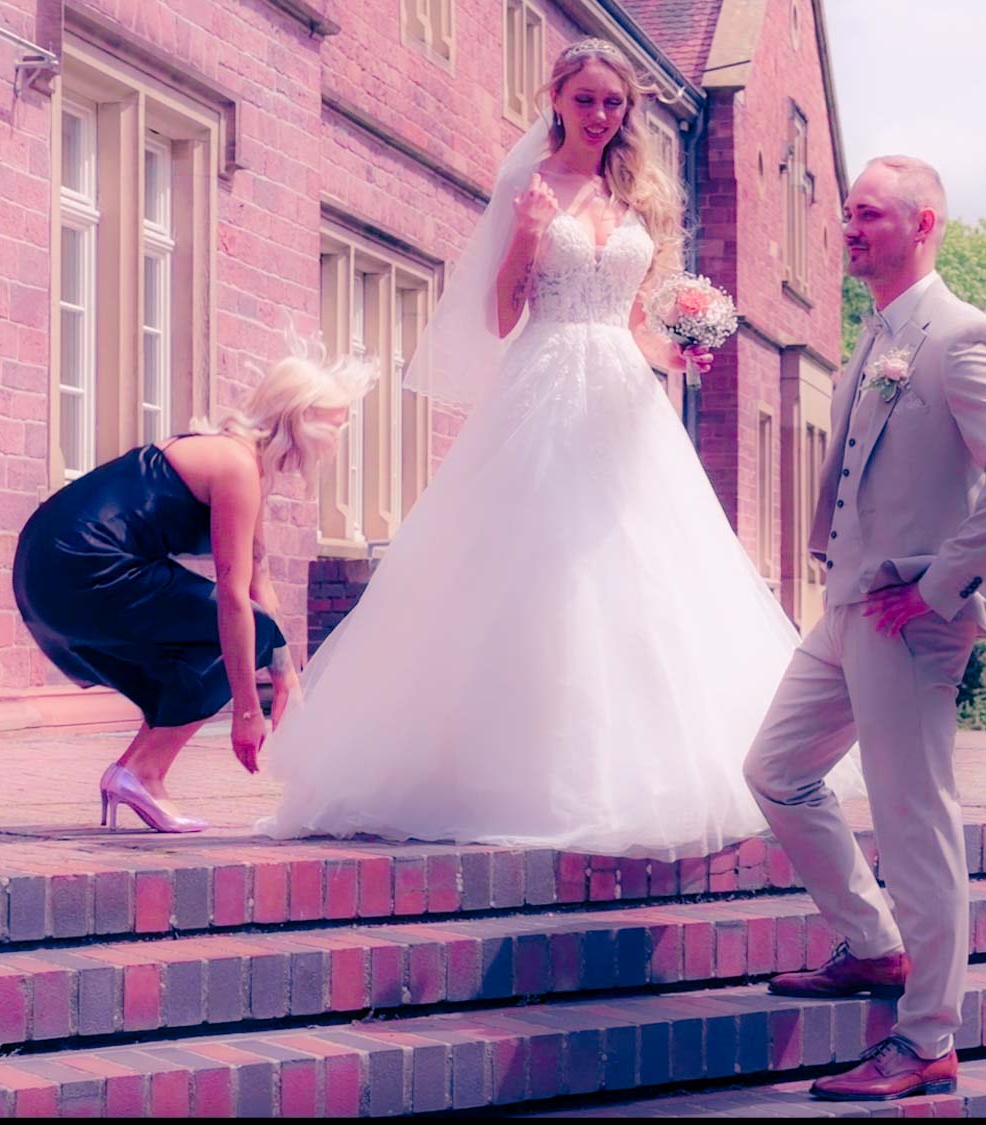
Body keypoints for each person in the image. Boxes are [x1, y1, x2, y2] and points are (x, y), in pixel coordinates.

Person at [257, 39, 860, 854]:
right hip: (543, 384)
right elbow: (501, 316)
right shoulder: (531, 186)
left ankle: (647, 768)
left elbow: (635, 321)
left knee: (641, 567)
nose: (600, 115)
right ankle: (510, 773)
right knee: (536, 564)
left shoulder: (636, 195)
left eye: (614, 102)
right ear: (557, 99)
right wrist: (526, 235)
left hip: (625, 397)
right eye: (585, 99)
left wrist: (677, 353)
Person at [742, 155, 986, 1102]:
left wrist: (939, 585)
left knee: (914, 820)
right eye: (847, 212)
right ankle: (874, 943)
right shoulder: (877, 333)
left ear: (923, 225)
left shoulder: (960, 335)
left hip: (909, 615)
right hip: (848, 605)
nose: (850, 227)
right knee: (776, 768)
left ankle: (926, 1039)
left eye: (871, 214)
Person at [12, 352, 371, 833]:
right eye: (335, 426)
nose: (336, 442)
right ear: (300, 419)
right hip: (79, 568)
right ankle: (144, 770)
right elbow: (234, 599)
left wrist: (288, 679)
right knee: (240, 635)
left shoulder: (240, 463)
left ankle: (137, 773)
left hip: (46, 569)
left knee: (204, 662)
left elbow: (257, 577)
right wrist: (248, 708)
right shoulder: (235, 466)